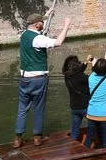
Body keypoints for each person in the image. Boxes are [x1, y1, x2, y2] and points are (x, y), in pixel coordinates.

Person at [13, 12, 71, 148]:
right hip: (38, 80)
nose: (44, 24)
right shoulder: (38, 39)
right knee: (38, 109)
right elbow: (58, 42)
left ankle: (17, 139)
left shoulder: (24, 35)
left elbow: (39, 31)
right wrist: (66, 26)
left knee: (22, 110)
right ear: (37, 24)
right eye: (42, 22)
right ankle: (37, 138)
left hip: (24, 79)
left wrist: (47, 13)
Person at [62, 54, 92, 140]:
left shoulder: (67, 76)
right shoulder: (82, 77)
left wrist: (86, 62)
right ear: (77, 65)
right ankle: (90, 144)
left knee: (74, 132)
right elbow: (93, 79)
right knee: (94, 126)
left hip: (74, 107)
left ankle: (72, 147)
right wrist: (95, 66)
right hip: (85, 107)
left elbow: (78, 71)